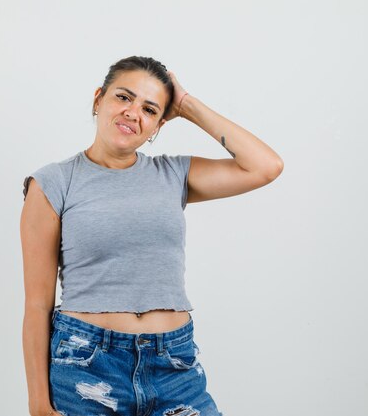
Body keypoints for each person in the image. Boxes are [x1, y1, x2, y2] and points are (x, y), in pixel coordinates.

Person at [20, 56, 283, 416]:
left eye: (149, 108)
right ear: (99, 99)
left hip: (174, 365)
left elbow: (266, 167)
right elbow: (37, 304)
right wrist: (38, 404)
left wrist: (187, 105)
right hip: (87, 366)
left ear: (158, 124)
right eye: (123, 97)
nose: (132, 113)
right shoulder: (53, 183)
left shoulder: (173, 174)